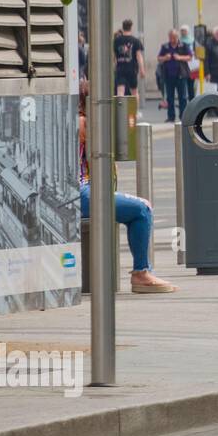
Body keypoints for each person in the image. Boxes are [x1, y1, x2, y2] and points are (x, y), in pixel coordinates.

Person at [78, 92, 175, 293]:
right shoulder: (83, 123)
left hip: (81, 191)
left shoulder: (76, 120)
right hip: (80, 193)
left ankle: (142, 272)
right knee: (142, 209)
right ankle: (141, 273)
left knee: (136, 206)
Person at [157, 29, 193, 123]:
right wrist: (165, 58)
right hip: (168, 75)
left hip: (181, 75)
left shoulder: (183, 45)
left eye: (174, 37)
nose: (172, 39)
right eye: (170, 37)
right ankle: (171, 116)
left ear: (177, 37)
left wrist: (180, 57)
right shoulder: (165, 46)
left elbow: (190, 57)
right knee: (170, 97)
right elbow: (159, 58)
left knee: (183, 97)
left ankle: (183, 116)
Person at [113, 20, 145, 100]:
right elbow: (139, 56)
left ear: (123, 28)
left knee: (120, 91)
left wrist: (115, 66)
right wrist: (142, 69)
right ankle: (135, 111)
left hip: (120, 68)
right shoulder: (136, 41)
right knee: (134, 91)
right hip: (132, 68)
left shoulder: (116, 41)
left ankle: (120, 111)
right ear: (131, 28)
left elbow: (114, 56)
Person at [179, 24, 197, 98]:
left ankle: (191, 98)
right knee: (183, 84)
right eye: (182, 31)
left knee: (191, 83)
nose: (183, 32)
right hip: (182, 65)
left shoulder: (193, 40)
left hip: (192, 63)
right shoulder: (179, 41)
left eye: (184, 31)